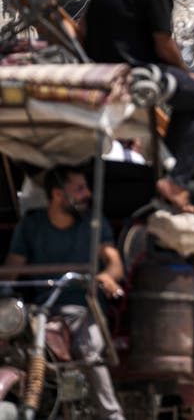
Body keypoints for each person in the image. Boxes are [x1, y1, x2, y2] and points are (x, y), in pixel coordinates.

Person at [78, 0, 194, 213]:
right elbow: (163, 45)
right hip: (136, 74)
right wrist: (185, 72)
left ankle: (170, 171)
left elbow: (81, 31)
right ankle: (175, 181)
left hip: (102, 71)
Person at [4, 166, 125, 420]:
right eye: (79, 189)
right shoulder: (31, 225)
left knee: (88, 349)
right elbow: (12, 270)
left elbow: (114, 262)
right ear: (58, 195)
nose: (87, 194)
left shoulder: (93, 223)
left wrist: (106, 276)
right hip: (42, 310)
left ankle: (112, 415)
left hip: (85, 310)